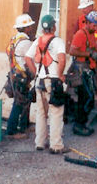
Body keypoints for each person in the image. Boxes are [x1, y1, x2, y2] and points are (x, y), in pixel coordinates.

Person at [25, 15, 69, 154]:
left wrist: (36, 74)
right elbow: (62, 60)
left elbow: (27, 58)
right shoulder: (58, 42)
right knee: (55, 113)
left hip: (40, 81)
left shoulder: (37, 41)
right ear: (54, 26)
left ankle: (39, 143)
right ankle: (56, 145)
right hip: (54, 81)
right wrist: (61, 75)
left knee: (41, 113)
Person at [69, 10, 97, 136]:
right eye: (94, 25)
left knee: (87, 97)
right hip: (81, 70)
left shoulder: (91, 33)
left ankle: (81, 123)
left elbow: (93, 48)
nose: (96, 28)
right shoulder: (80, 34)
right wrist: (89, 54)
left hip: (88, 69)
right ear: (88, 22)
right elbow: (72, 51)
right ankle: (79, 125)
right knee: (86, 98)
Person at [6, 14, 35, 139]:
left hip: (15, 75)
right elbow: (31, 58)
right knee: (19, 104)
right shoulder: (25, 42)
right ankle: (11, 131)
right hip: (21, 76)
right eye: (29, 26)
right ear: (26, 28)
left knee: (25, 101)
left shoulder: (15, 39)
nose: (31, 28)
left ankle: (25, 126)